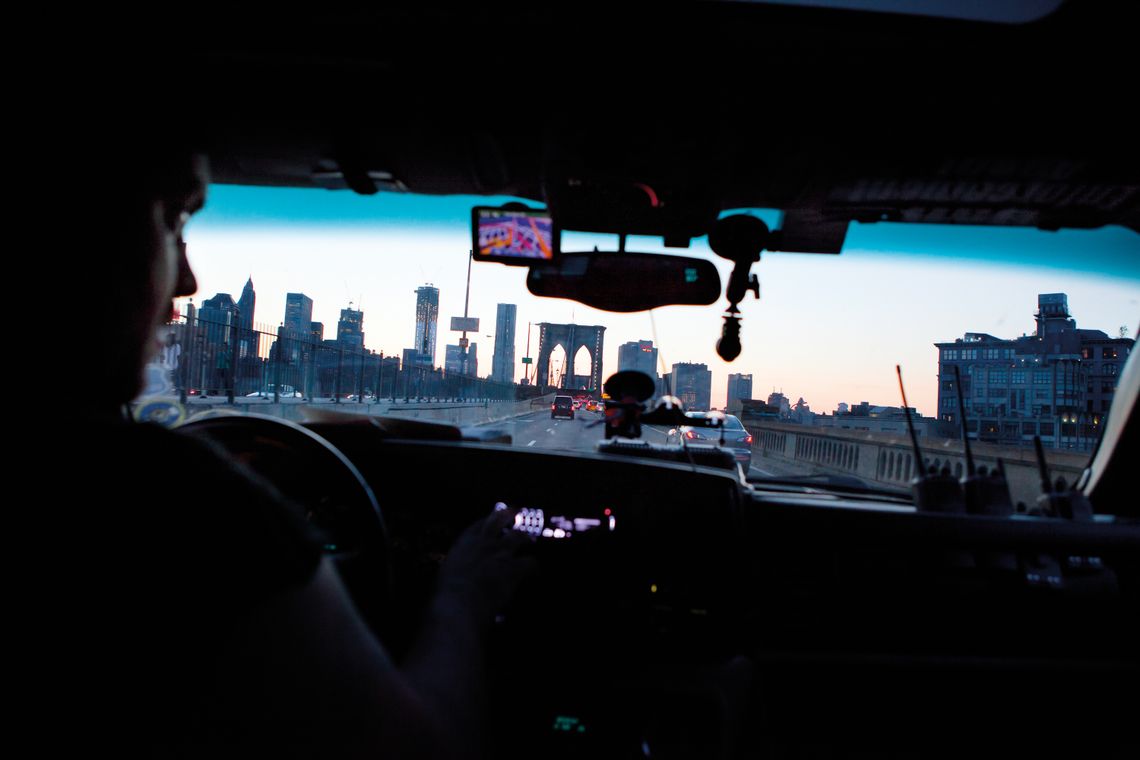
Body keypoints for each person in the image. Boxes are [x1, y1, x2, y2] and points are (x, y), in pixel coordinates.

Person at [55, 140, 536, 758]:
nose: (187, 279)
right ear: (80, 238)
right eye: (173, 222)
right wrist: (460, 602)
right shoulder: (177, 496)